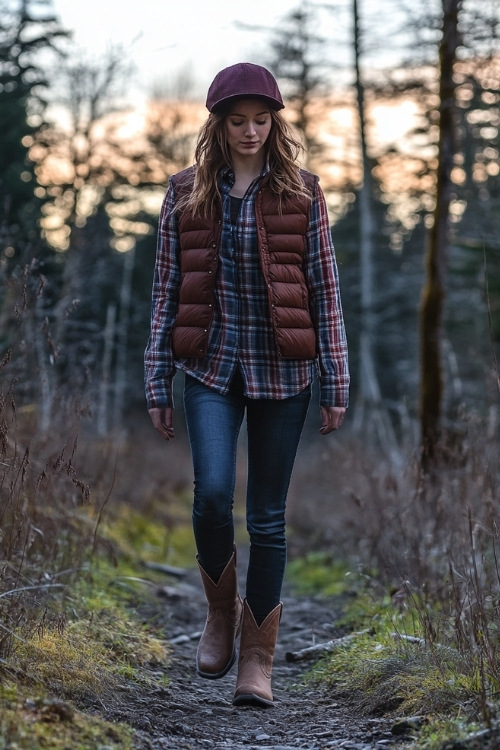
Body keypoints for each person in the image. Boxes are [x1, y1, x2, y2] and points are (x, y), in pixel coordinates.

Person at [144, 62, 349, 708]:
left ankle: (257, 660)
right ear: (218, 126)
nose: (252, 132)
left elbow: (326, 290)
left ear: (275, 123)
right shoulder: (184, 195)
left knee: (265, 517)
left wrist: (336, 379)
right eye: (239, 122)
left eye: (262, 121)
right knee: (210, 497)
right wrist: (156, 380)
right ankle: (220, 614)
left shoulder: (304, 194)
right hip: (209, 367)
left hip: (283, 373)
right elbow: (164, 294)